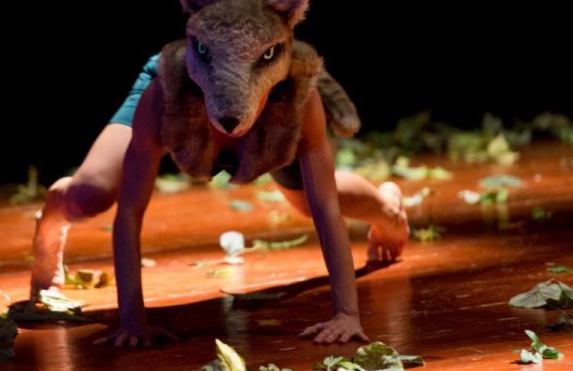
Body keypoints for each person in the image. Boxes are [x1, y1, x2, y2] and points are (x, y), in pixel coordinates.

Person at [29, 52, 409, 345]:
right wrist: (132, 321)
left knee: (308, 202)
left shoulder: (294, 93)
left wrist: (347, 314)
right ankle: (48, 227)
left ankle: (389, 209)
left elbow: (326, 205)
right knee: (89, 196)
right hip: (182, 102)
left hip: (268, 112)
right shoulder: (165, 94)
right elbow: (130, 211)